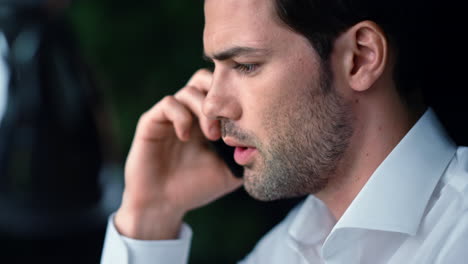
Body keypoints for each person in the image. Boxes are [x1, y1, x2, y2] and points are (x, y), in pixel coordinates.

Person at [101, 0, 468, 263]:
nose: (212, 106)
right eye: (216, 67)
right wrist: (150, 217)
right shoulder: (284, 249)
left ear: (360, 57)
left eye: (245, 66)